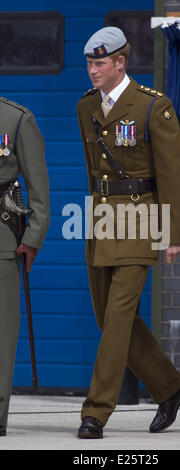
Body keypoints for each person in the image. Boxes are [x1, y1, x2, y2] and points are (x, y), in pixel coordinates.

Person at [77, 26, 180, 439]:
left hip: (142, 222)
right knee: (108, 319)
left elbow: (173, 173)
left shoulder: (151, 106)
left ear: (120, 63)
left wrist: (173, 232)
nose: (93, 70)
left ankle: (96, 412)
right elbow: (95, 173)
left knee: (117, 320)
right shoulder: (86, 107)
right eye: (90, 63)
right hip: (102, 222)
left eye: (100, 63)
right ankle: (171, 387)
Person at [0, 98, 50, 436]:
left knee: (1, 332)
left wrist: (32, 237)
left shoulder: (17, 119)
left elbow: (38, 188)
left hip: (1, 240)